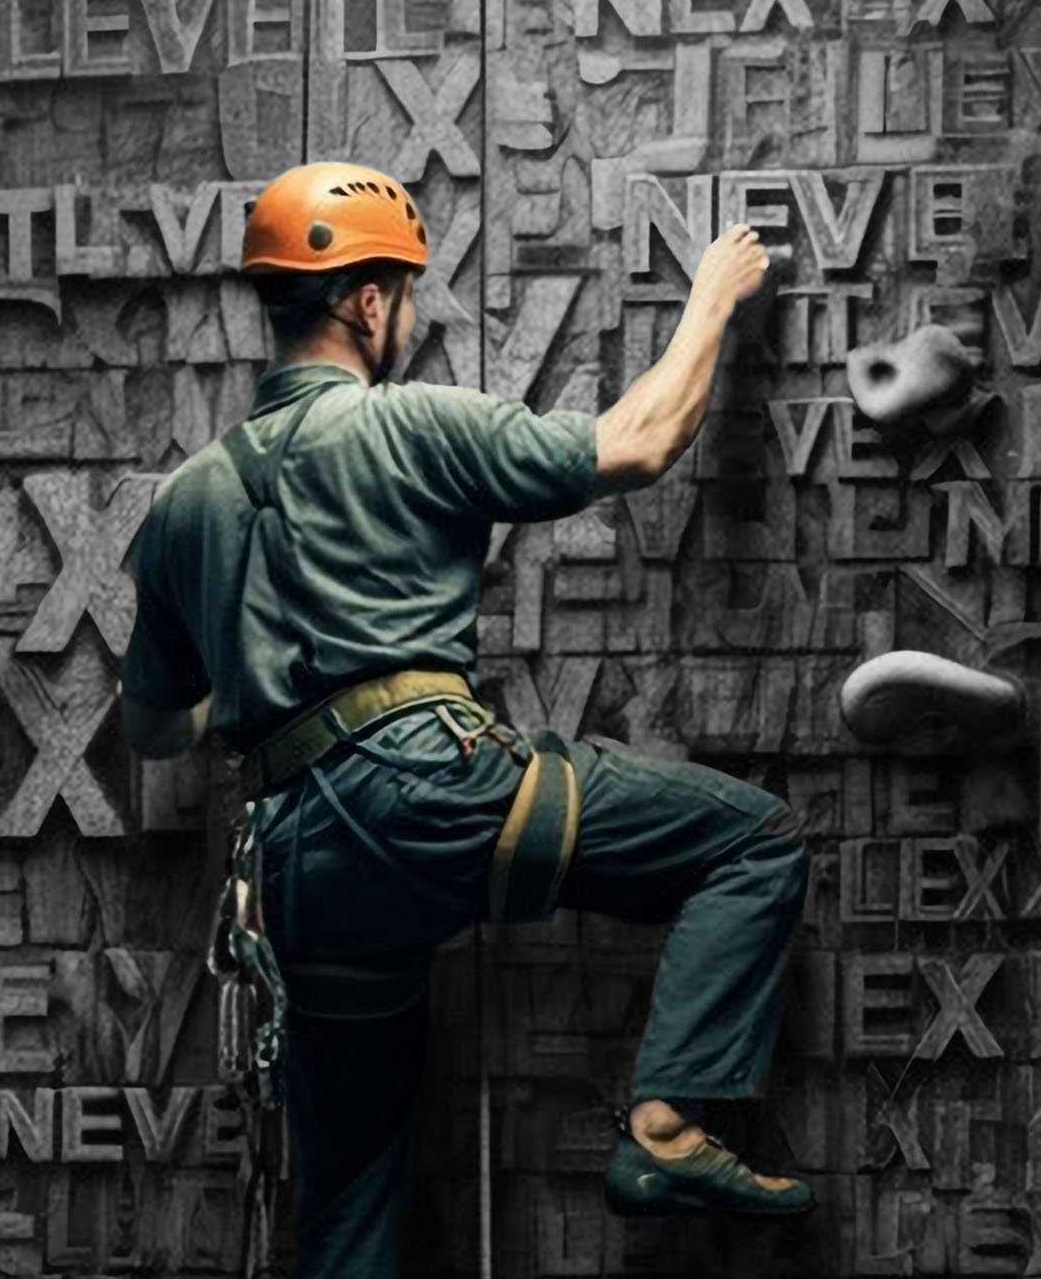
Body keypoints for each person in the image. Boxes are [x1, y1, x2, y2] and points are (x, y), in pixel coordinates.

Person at [117, 160, 810, 1276]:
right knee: (751, 842)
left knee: (344, 1207)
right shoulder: (411, 426)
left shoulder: (181, 504)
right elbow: (636, 442)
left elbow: (154, 730)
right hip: (436, 795)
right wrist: (713, 299)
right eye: (402, 297)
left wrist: (245, 651)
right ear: (368, 300)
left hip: (300, 867)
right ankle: (671, 1126)